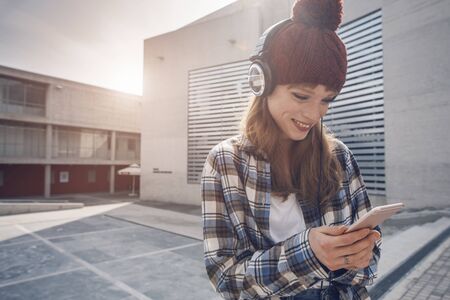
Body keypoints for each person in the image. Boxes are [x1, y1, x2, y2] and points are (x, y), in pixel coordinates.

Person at [201, 0, 382, 299]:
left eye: (327, 100)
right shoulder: (225, 162)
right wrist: (308, 253)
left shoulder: (340, 158)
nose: (314, 114)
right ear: (261, 82)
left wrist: (358, 256)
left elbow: (370, 264)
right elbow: (226, 279)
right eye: (301, 96)